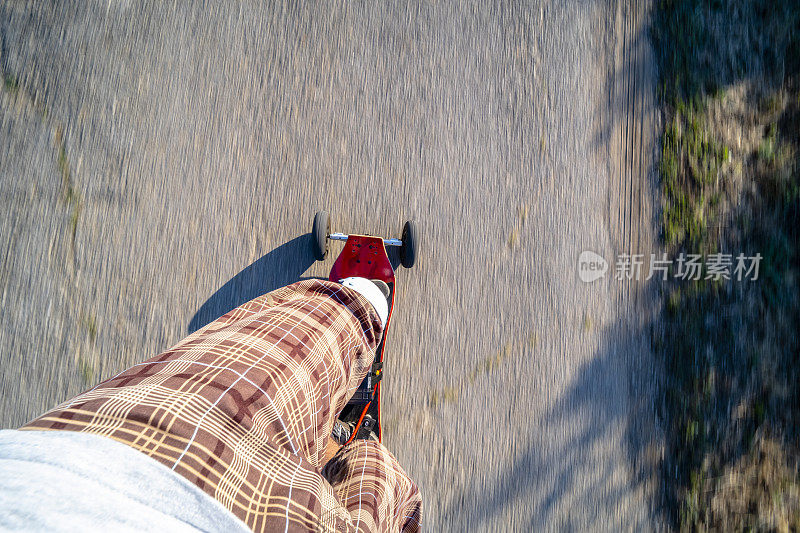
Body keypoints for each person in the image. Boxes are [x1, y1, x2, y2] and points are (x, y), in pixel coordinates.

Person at [0, 278, 422, 532]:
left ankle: (340, 441)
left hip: (92, 461)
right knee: (314, 336)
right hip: (111, 461)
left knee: (376, 492)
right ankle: (361, 311)